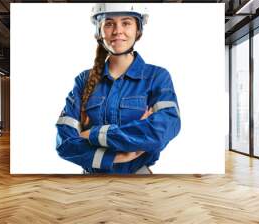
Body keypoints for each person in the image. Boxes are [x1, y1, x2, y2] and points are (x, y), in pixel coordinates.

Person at [56, 3, 181, 174]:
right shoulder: (83, 81)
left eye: (126, 22)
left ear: (138, 30)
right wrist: (115, 156)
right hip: (89, 184)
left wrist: (93, 134)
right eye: (109, 23)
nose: (117, 31)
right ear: (99, 32)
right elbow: (64, 144)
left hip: (138, 181)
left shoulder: (156, 77)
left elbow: (162, 131)